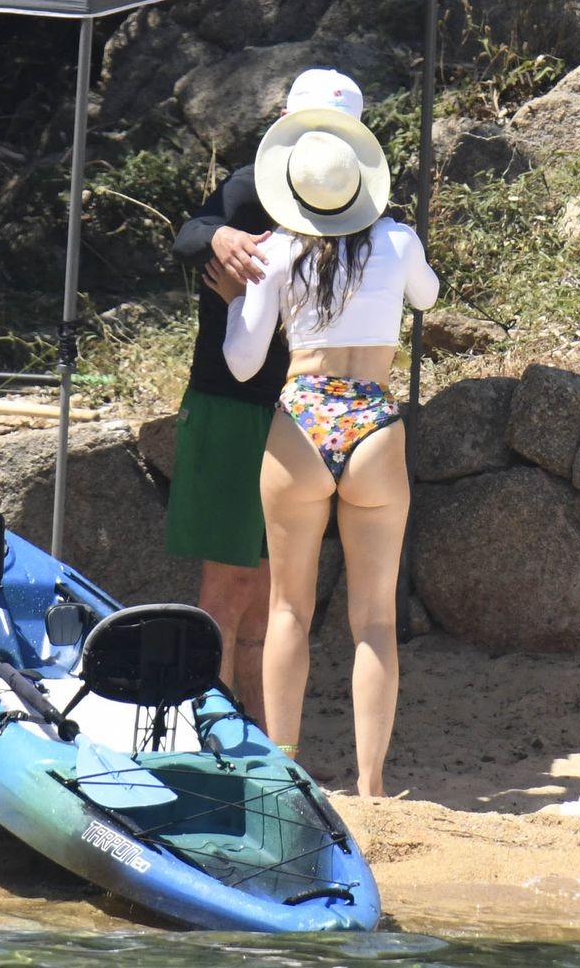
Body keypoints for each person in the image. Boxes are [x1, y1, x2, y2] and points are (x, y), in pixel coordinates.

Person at [218, 101, 438, 798]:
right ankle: (372, 785)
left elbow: (243, 364)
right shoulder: (398, 240)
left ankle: (284, 773)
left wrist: (236, 298)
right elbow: (428, 296)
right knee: (375, 619)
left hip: (303, 418)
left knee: (289, 609)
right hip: (372, 419)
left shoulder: (279, 251)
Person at [169, 68, 367, 719]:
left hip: (305, 411)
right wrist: (219, 236)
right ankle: (208, 731)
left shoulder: (357, 204)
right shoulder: (251, 187)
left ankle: (253, 736)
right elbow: (188, 237)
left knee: (273, 594)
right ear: (284, 125)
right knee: (229, 586)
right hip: (232, 405)